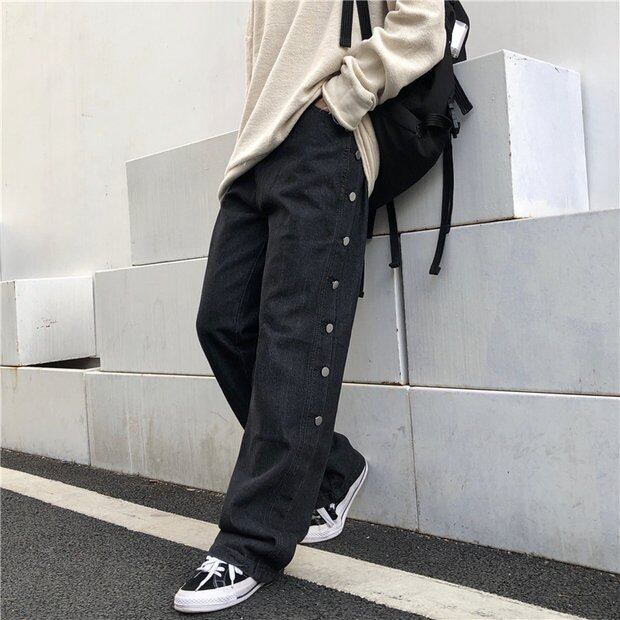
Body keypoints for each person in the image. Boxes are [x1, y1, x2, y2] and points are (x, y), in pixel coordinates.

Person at [174, 0, 446, 613]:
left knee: (294, 341)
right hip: (254, 155)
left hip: (325, 143)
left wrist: (346, 97)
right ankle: (332, 469)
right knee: (222, 324)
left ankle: (251, 543)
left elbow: (423, 22)